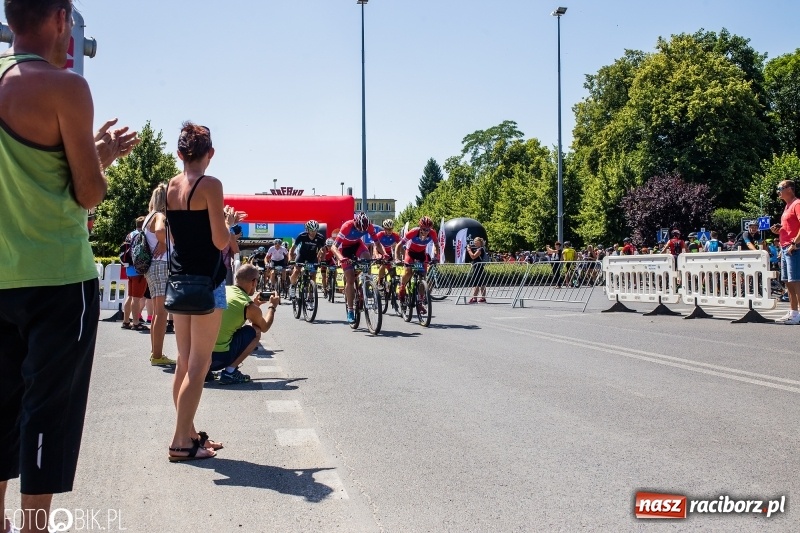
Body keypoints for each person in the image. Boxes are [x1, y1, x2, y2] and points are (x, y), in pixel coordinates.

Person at [0, 1, 139, 530]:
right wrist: (97, 156)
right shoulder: (65, 88)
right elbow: (86, 192)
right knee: (47, 410)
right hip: (56, 277)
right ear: (61, 18)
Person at [165, 122, 244, 461]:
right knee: (200, 365)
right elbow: (219, 241)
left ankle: (190, 433)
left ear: (180, 153)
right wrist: (226, 219)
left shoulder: (170, 186)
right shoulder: (210, 185)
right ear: (210, 154)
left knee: (185, 363)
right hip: (208, 283)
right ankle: (180, 442)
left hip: (180, 282)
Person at [211, 265, 281, 384]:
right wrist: (272, 307)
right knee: (256, 331)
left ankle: (205, 372)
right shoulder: (247, 305)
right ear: (253, 282)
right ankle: (230, 372)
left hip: (199, 357)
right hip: (218, 360)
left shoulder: (223, 290)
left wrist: (255, 306)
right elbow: (264, 327)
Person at [143, 184, 176, 366]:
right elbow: (161, 231)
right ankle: (157, 356)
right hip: (162, 265)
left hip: (152, 267)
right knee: (162, 313)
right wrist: (164, 243)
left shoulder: (149, 216)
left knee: (157, 313)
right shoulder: (160, 216)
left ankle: (155, 352)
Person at [332, 212, 386, 323]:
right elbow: (334, 247)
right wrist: (341, 258)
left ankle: (367, 283)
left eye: (363, 230)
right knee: (350, 279)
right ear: (356, 223)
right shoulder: (347, 226)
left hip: (357, 245)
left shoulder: (369, 226)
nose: (361, 231)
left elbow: (377, 243)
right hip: (345, 249)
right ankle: (351, 310)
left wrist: (384, 254)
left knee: (367, 259)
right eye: (359, 229)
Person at [770, 180, 800, 324]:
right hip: (785, 248)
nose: (778, 191)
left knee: (797, 282)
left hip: (794, 248)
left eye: (780, 188)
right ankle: (793, 312)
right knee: (788, 282)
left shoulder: (797, 204)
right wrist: (778, 230)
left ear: (790, 189)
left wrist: (795, 243)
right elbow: (788, 228)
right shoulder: (787, 206)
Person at [395, 216, 438, 308]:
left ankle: (420, 301)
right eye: (424, 229)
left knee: (423, 276)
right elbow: (399, 245)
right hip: (410, 253)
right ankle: (402, 287)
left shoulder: (433, 233)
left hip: (422, 254)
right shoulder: (414, 232)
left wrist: (436, 257)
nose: (426, 232)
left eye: (428, 230)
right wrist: (397, 258)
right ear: (420, 227)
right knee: (408, 271)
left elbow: (437, 245)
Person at [121, 216, 148, 331]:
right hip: (139, 269)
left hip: (129, 268)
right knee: (136, 298)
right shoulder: (142, 235)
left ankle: (126, 321)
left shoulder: (130, 234)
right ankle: (136, 323)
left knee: (130, 296)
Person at [288, 220, 326, 299]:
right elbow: (292, 249)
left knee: (313, 275)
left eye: (315, 231)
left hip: (312, 257)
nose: (313, 233)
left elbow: (323, 250)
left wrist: (322, 260)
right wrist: (290, 259)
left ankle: (311, 296)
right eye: (311, 231)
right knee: (296, 271)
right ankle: (292, 286)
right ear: (307, 230)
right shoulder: (302, 236)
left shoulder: (320, 237)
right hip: (301, 255)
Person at [374, 219, 401, 289]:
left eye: (391, 229)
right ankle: (380, 280)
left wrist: (401, 258)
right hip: (380, 253)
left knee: (393, 271)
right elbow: (375, 247)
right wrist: (377, 256)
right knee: (383, 264)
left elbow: (401, 247)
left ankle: (390, 286)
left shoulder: (395, 235)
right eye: (388, 229)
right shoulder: (380, 235)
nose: (390, 231)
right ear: (384, 229)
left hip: (389, 254)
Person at [466, 236, 488, 303]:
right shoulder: (479, 249)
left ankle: (474, 298)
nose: (475, 243)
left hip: (478, 267)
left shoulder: (480, 249)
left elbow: (473, 256)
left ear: (480, 242)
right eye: (474, 241)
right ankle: (483, 298)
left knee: (476, 283)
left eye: (476, 242)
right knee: (481, 283)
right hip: (478, 266)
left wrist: (469, 250)